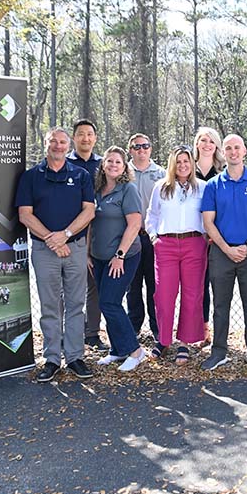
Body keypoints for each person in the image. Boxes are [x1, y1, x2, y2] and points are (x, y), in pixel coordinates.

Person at [16, 127, 95, 382]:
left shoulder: (81, 175)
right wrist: (52, 238)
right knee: (50, 306)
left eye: (63, 142)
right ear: (46, 143)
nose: (58, 146)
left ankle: (74, 357)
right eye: (54, 141)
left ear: (68, 144)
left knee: (75, 305)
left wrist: (67, 234)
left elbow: (89, 211)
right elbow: (25, 214)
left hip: (75, 248)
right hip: (44, 250)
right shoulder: (30, 177)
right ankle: (51, 359)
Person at [200, 134, 247, 371]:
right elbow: (208, 222)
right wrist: (227, 249)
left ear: (244, 151)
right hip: (221, 253)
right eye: (228, 148)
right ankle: (219, 351)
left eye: (237, 148)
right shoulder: (213, 185)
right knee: (221, 305)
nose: (233, 152)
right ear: (224, 152)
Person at [145, 146, 208, 364]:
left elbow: (209, 216)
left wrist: (206, 237)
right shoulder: (161, 187)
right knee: (163, 295)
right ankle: (163, 340)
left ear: (192, 163)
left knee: (192, 294)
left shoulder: (202, 187)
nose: (182, 165)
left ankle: (185, 342)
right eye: (178, 161)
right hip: (167, 245)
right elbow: (151, 215)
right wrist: (154, 237)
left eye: (186, 161)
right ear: (173, 164)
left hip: (194, 243)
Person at [90, 146, 146, 372]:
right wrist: (86, 253)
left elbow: (135, 224)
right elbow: (90, 223)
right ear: (103, 165)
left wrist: (119, 255)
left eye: (118, 162)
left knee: (109, 302)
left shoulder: (128, 190)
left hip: (123, 256)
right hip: (99, 257)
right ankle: (117, 349)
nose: (113, 165)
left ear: (124, 167)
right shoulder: (96, 190)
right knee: (107, 302)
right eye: (109, 161)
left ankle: (134, 350)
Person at [67, 119, 107, 351]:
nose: (85, 138)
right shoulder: (64, 162)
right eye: (80, 134)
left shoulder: (102, 165)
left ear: (95, 138)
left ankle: (92, 333)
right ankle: (69, 333)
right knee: (68, 288)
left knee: (94, 286)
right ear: (74, 138)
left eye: (89, 134)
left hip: (96, 234)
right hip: (69, 233)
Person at [126, 133, 166, 341]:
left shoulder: (161, 173)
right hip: (129, 238)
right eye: (136, 147)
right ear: (130, 150)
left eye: (145, 146)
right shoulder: (123, 173)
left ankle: (157, 328)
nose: (141, 150)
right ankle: (133, 327)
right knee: (132, 285)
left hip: (152, 238)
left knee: (155, 284)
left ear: (151, 148)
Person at [193, 126, 226, 341]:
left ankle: (217, 331)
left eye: (211, 141)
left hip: (216, 238)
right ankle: (199, 328)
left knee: (217, 284)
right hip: (192, 237)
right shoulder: (186, 169)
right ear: (196, 143)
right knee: (197, 284)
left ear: (216, 146)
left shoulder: (222, 173)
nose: (207, 145)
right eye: (203, 140)